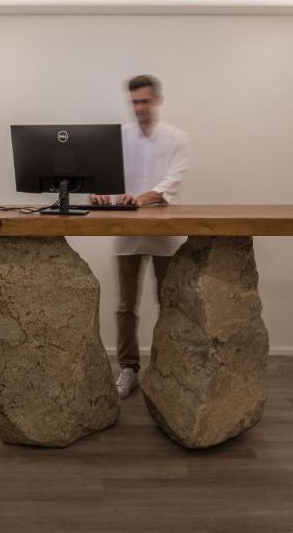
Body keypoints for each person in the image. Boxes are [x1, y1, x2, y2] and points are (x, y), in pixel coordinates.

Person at [91, 74, 191, 398]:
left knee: (169, 304)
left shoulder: (177, 138)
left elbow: (171, 183)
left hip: (165, 234)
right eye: (134, 102)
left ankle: (167, 368)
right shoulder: (119, 137)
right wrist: (100, 194)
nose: (139, 108)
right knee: (125, 305)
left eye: (145, 101)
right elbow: (106, 178)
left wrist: (141, 199)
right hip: (127, 232)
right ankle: (128, 370)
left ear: (157, 100)